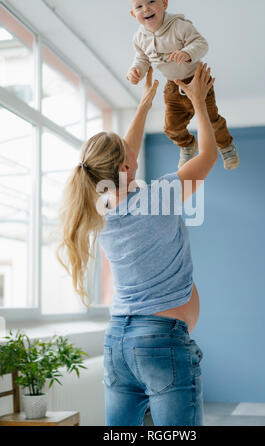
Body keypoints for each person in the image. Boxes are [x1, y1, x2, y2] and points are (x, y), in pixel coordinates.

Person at [56, 62, 217, 426]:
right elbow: (207, 157)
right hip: (161, 342)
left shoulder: (99, 209)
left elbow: (119, 159)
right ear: (126, 165)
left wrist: (144, 104)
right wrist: (199, 101)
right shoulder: (157, 196)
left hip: (118, 343)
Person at [127, 0, 239, 170]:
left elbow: (202, 44)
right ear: (133, 13)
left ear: (165, 3)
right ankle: (187, 144)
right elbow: (142, 58)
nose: (146, 8)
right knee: (171, 127)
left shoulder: (179, 26)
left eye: (151, 2)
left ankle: (226, 145)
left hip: (197, 80)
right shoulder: (139, 38)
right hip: (173, 85)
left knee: (212, 121)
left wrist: (187, 53)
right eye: (139, 6)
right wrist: (135, 70)